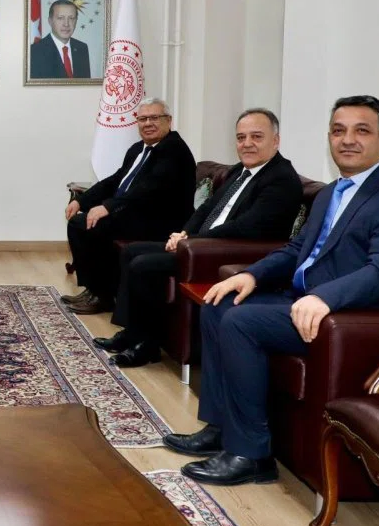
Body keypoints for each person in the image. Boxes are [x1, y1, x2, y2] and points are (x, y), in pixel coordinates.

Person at [164, 95, 379, 486]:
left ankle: (251, 455)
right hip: (300, 300)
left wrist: (326, 297)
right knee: (219, 302)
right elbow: (296, 249)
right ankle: (222, 428)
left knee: (240, 321)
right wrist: (252, 275)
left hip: (347, 317)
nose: (347, 140)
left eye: (362, 131)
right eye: (338, 131)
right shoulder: (332, 193)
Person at [94, 108, 303, 368]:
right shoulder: (240, 170)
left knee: (144, 265)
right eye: (241, 138)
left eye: (256, 137)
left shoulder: (281, 179)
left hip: (226, 255)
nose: (247, 144)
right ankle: (132, 332)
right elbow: (206, 208)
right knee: (131, 251)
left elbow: (247, 227)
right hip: (201, 244)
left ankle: (146, 346)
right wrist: (184, 233)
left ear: (276, 140)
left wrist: (192, 240)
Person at [63, 97, 197, 314]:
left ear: (169, 120)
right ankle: (94, 289)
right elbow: (116, 180)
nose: (147, 123)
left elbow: (149, 189)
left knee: (90, 225)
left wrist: (108, 207)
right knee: (80, 223)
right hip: (135, 214)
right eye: (142, 119)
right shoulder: (138, 149)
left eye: (154, 118)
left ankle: (103, 296)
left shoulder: (174, 150)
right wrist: (82, 200)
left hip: (160, 221)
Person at [29, 0, 91, 79]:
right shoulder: (35, 51)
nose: (66, 24)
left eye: (71, 18)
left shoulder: (82, 48)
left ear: (76, 21)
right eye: (60, 18)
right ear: (50, 21)